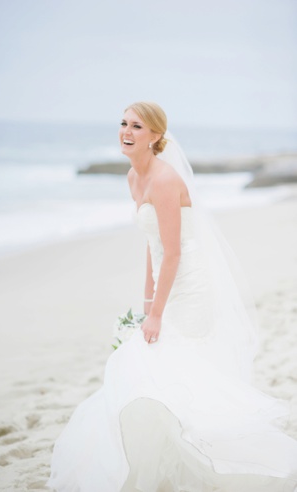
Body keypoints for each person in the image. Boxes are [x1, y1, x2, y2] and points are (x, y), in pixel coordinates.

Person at [47, 102, 297, 491]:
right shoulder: (134, 178)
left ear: (156, 137)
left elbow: (175, 253)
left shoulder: (164, 180)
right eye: (123, 123)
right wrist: (146, 306)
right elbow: (153, 246)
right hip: (166, 280)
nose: (126, 132)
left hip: (190, 287)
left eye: (137, 126)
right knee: (155, 369)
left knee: (170, 368)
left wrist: (158, 315)